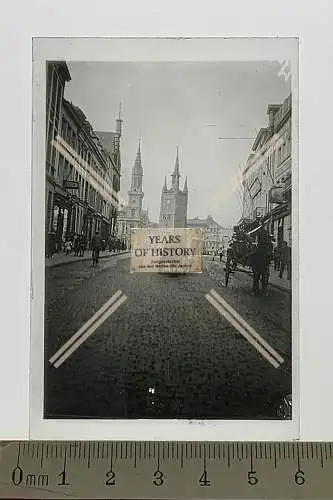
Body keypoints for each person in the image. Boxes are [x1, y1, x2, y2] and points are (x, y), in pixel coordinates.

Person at [250, 228, 273, 296]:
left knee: (256, 278)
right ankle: (263, 291)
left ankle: (255, 291)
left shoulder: (258, 246)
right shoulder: (267, 246)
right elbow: (269, 256)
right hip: (262, 265)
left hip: (258, 265)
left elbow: (253, 255)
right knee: (263, 279)